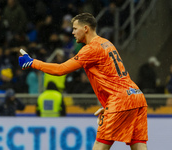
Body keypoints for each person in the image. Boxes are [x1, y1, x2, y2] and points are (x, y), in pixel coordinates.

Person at [19, 13, 148, 150]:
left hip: (120, 100)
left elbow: (60, 69)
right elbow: (113, 76)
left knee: (99, 146)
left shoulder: (91, 49)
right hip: (136, 96)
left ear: (85, 28)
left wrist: (32, 62)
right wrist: (108, 105)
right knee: (138, 145)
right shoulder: (107, 43)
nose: (73, 32)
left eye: (75, 28)